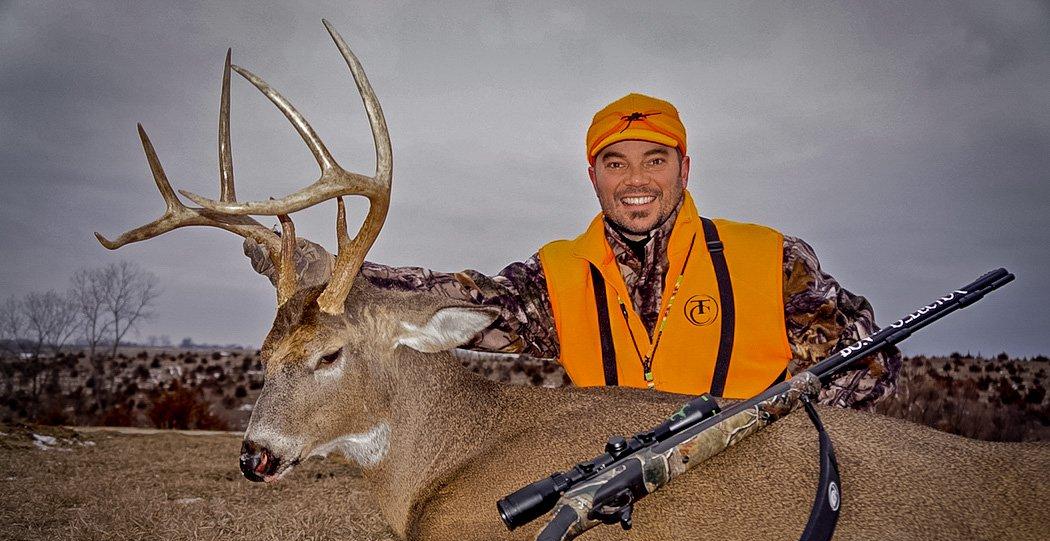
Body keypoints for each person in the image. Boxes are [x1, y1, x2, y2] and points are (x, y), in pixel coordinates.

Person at [246, 93, 900, 408]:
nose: (636, 180)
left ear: (685, 168)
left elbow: (872, 359)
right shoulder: (556, 278)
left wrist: (778, 423)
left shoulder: (769, 259)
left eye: (655, 160)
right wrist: (332, 272)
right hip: (633, 491)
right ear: (594, 176)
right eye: (615, 163)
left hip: (762, 487)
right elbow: (464, 301)